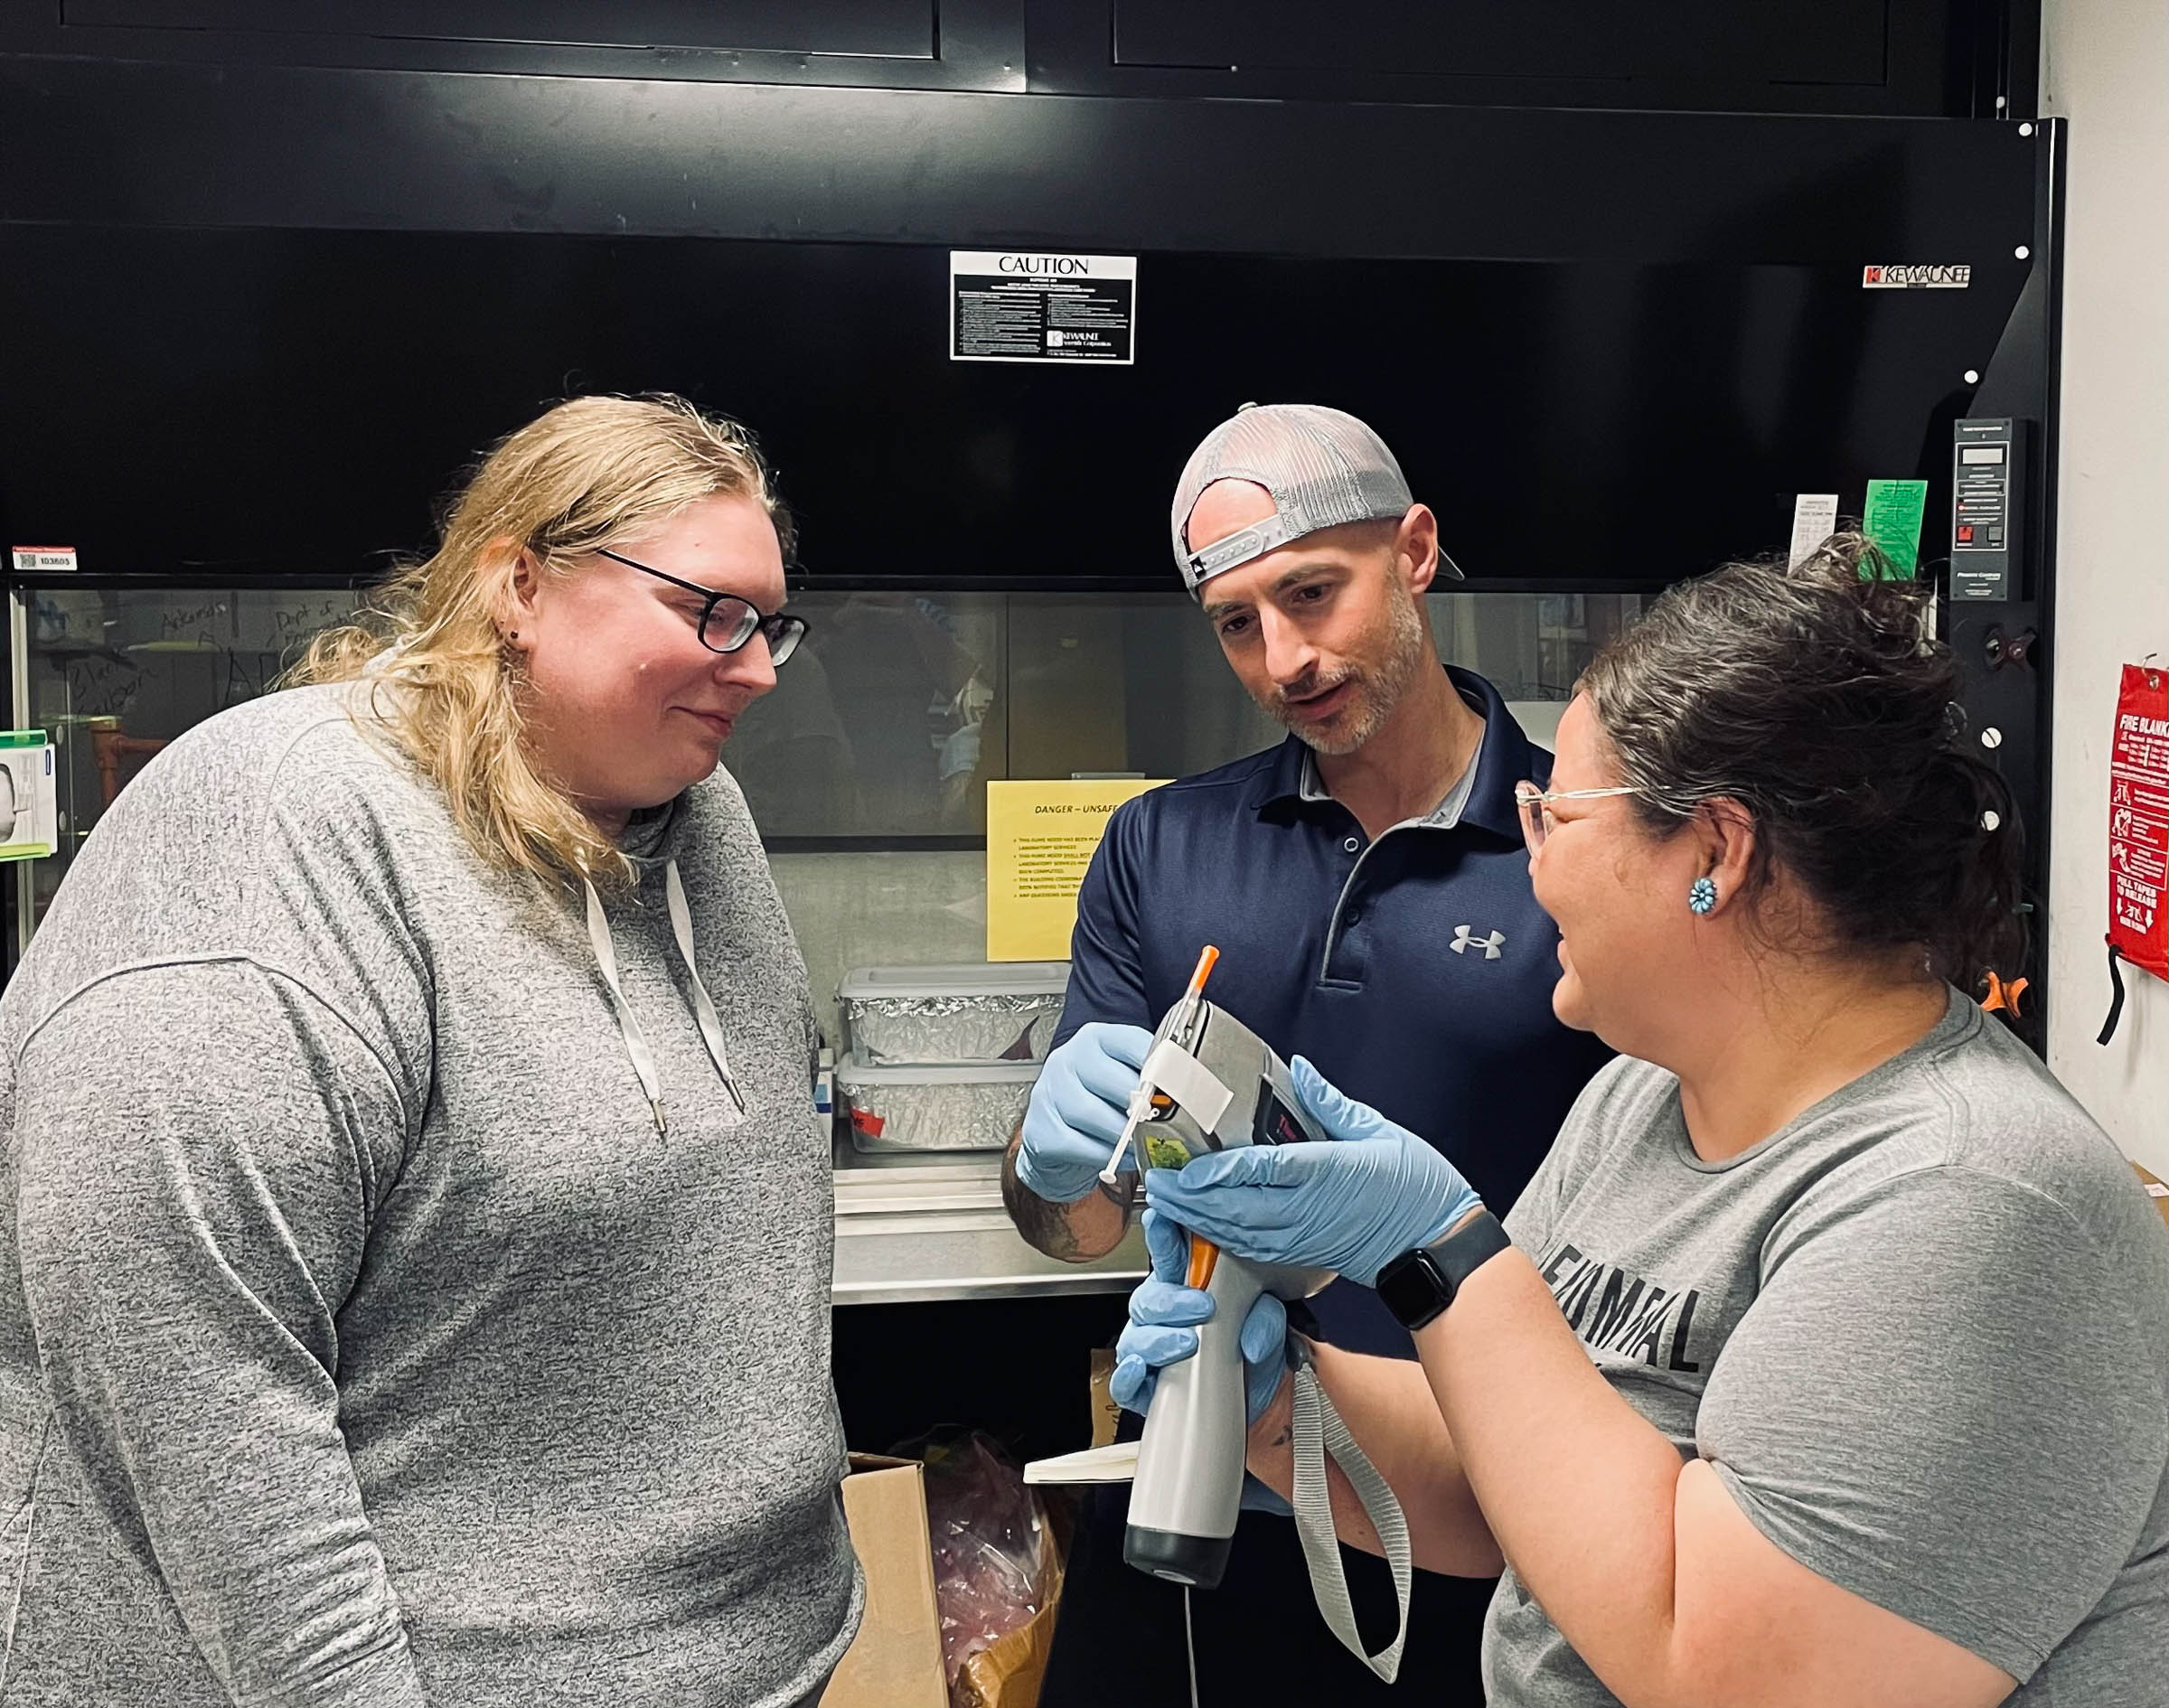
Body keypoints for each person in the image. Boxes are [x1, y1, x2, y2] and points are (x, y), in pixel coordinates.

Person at [1117, 537, 2169, 1706]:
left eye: (1556, 816)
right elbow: (1512, 1486)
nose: (1532, 867)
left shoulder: (1971, 1204)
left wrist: (1450, 1253)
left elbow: (1717, 1671)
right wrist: (1280, 1407)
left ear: (1715, 851)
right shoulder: (1644, 1095)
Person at [0, 394, 860, 1707]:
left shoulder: (693, 811)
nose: (756, 667)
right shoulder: (277, 841)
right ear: (520, 581)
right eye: (709, 612)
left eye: (769, 622)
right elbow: (196, 1397)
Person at [1005, 403, 1612, 1704]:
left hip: (1484, 1526)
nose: (1284, 657)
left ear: (1418, 549)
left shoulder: (1576, 849)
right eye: (1237, 622)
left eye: (1313, 593)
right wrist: (1051, 1156)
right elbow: (1075, 1220)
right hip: (1206, 1489)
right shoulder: (1161, 850)